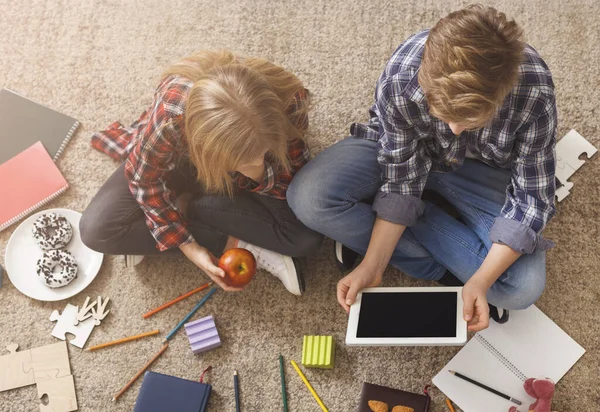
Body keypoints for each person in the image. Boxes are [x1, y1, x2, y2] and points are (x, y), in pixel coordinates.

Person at [288, 5, 557, 330]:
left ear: (501, 94)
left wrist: (481, 282)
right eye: (443, 115)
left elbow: (531, 199)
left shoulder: (534, 90)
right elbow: (401, 171)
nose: (455, 130)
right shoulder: (403, 73)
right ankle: (429, 252)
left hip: (481, 170)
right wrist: (374, 266)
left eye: (471, 121)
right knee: (308, 198)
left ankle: (397, 224)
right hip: (404, 150)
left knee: (521, 290)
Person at [80, 51, 323, 296]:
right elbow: (143, 178)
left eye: (263, 151)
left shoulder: (288, 99)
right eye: (243, 159)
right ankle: (235, 239)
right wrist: (189, 247)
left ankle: (185, 207)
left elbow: (293, 175)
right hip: (179, 163)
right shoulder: (172, 112)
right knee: (96, 230)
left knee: (306, 239)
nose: (258, 159)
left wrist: (257, 171)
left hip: (225, 174)